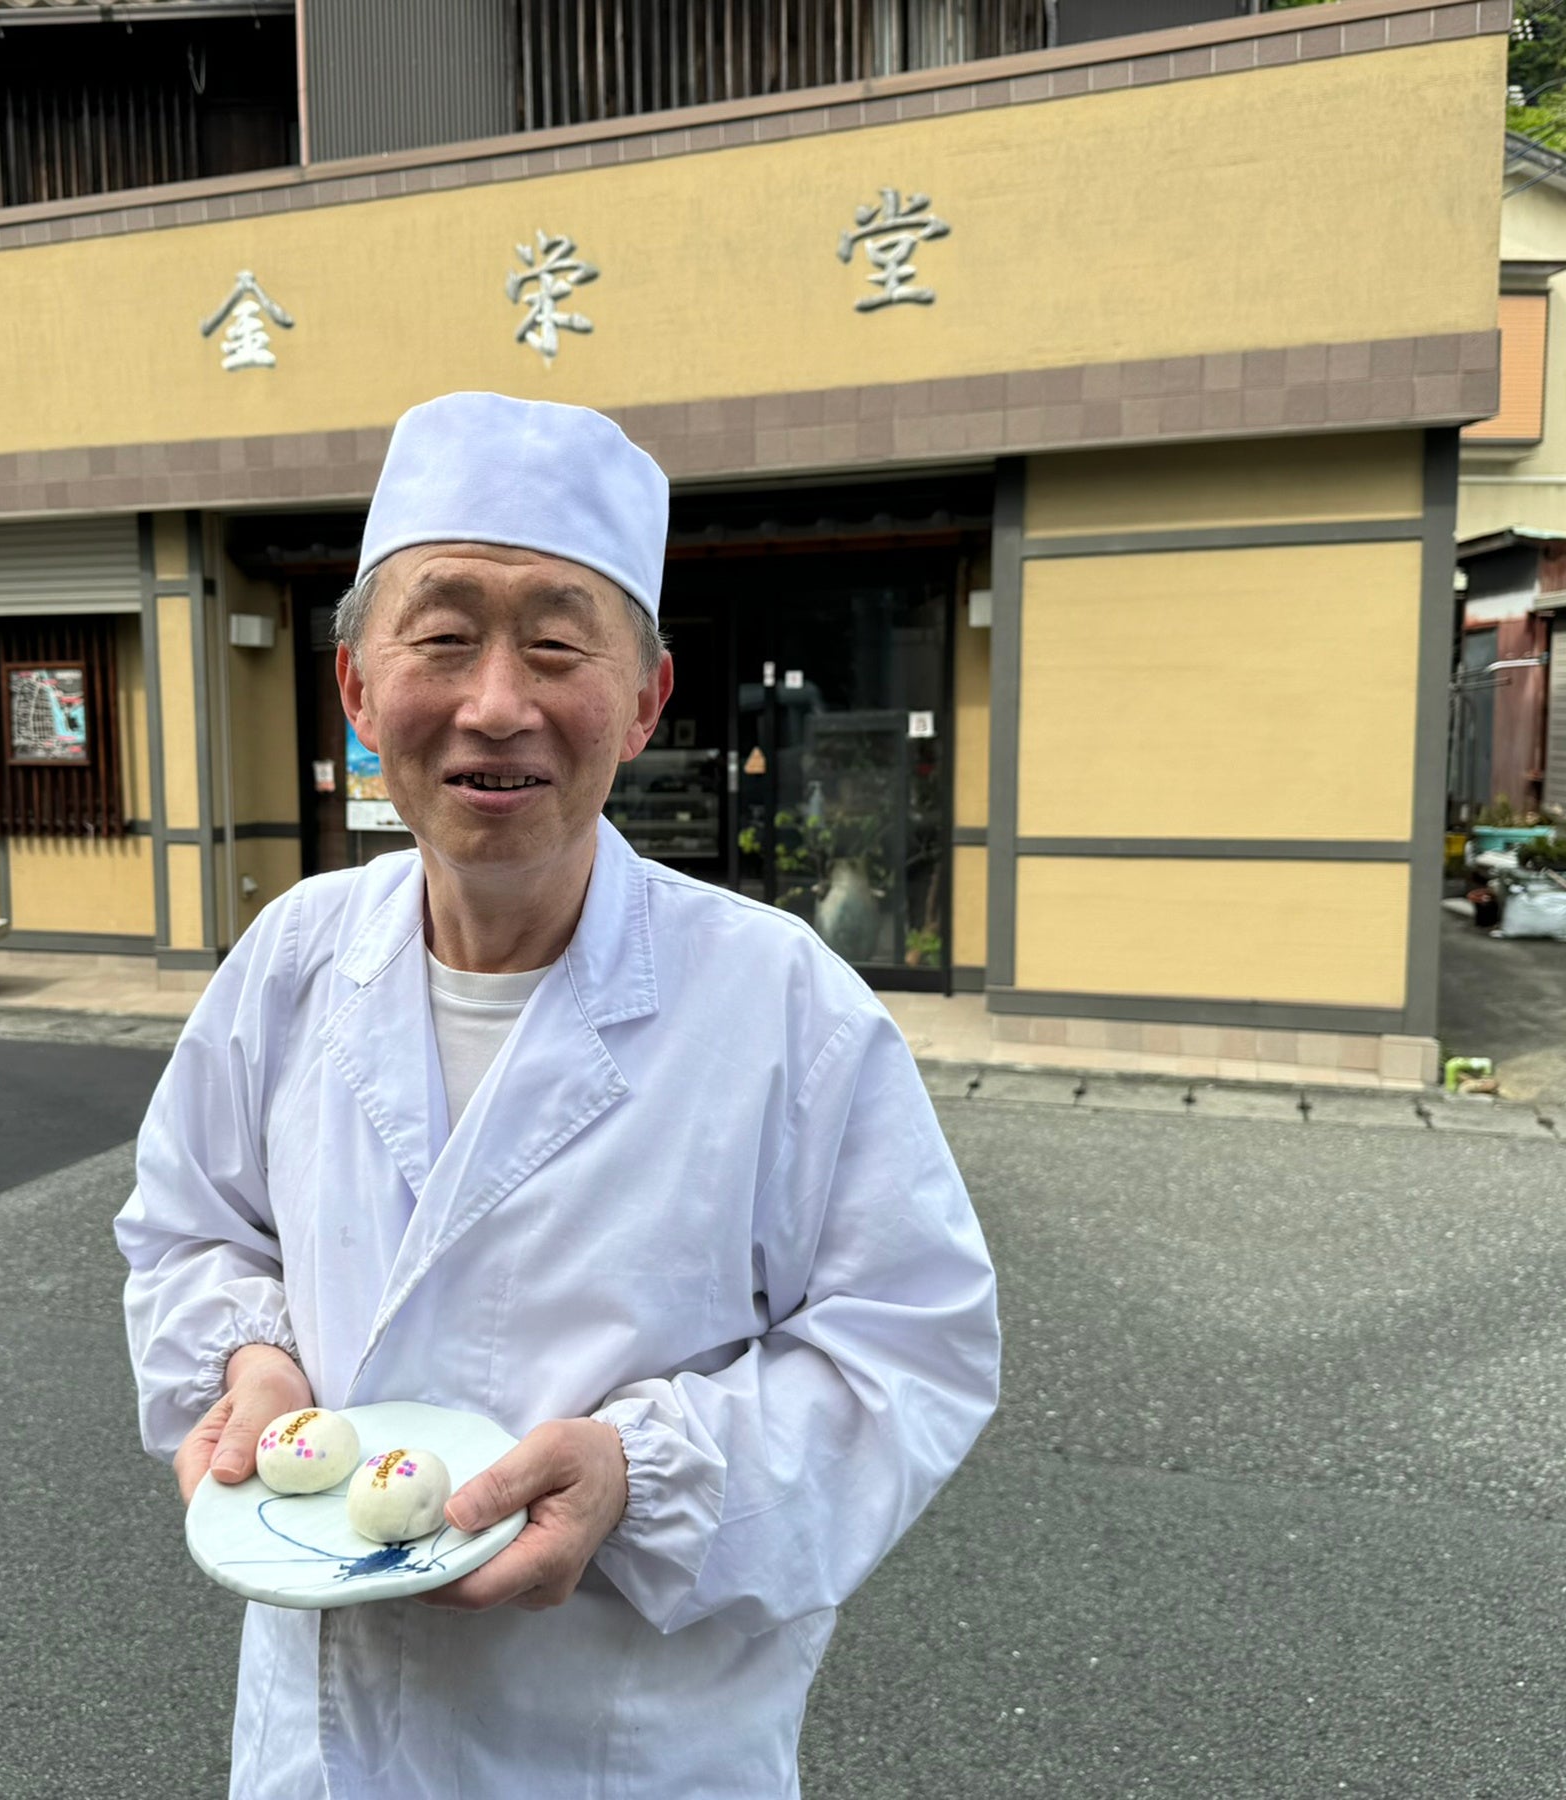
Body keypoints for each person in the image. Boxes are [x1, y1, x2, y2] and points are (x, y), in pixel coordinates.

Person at [116, 390, 1000, 1798]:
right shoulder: (290, 961)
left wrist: (641, 1478)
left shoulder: (783, 1006)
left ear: (643, 701)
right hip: (321, 1746)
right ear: (358, 692)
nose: (495, 704)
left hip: (629, 1747)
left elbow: (913, 1349)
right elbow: (191, 1228)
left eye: (555, 645)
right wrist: (247, 1364)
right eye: (442, 637)